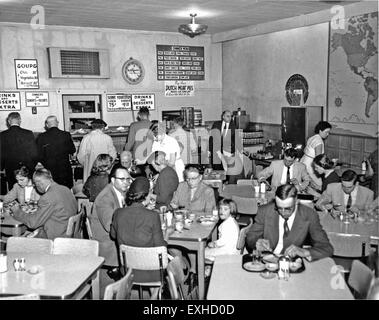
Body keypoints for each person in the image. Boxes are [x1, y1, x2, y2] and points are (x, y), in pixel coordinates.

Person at [110, 176, 166, 298]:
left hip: (127, 270)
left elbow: (113, 235)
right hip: (151, 272)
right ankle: (156, 296)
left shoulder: (118, 213)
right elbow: (160, 246)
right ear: (146, 196)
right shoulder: (152, 216)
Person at [246, 184, 333, 260]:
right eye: (279, 208)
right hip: (267, 260)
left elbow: (327, 248)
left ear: (296, 201)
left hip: (293, 262)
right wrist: (257, 242)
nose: (283, 212)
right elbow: (250, 238)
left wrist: (305, 252)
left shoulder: (309, 214)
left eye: (288, 208)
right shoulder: (265, 210)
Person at [9, 168, 77, 239]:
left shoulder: (47, 197)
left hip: (55, 237)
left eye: (35, 185)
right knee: (29, 233)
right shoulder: (66, 189)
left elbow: (33, 223)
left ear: (39, 184)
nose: (35, 187)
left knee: (17, 241)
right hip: (66, 232)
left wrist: (17, 211)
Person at [36, 115, 76, 189]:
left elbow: (39, 155)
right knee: (65, 191)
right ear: (57, 123)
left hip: (49, 171)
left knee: (51, 191)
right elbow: (72, 150)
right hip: (64, 170)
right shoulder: (65, 135)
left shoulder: (42, 136)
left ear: (47, 125)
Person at [0, 112, 38, 189]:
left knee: (13, 190)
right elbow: (34, 154)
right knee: (28, 191)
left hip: (10, 168)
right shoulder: (28, 133)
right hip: (26, 169)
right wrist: (32, 166)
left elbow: (1, 154)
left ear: (8, 121)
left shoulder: (2, 135)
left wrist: (1, 167)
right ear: (20, 120)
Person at [210, 110, 244, 184]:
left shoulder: (233, 126)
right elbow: (211, 138)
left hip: (227, 154)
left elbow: (237, 139)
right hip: (216, 153)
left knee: (227, 173)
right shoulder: (216, 124)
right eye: (228, 116)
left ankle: (226, 188)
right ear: (223, 117)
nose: (230, 118)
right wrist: (209, 150)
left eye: (231, 116)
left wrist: (241, 150)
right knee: (217, 173)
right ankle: (218, 189)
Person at [300, 121, 332, 190]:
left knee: (306, 183)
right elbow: (319, 159)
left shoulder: (312, 137)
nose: (328, 134)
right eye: (326, 132)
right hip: (311, 165)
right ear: (320, 130)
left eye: (329, 132)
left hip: (303, 161)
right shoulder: (319, 141)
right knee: (319, 184)